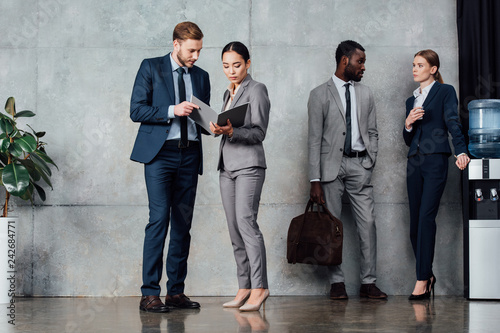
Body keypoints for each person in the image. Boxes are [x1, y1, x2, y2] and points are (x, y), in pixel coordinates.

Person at [130, 21, 211, 312]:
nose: (196, 56)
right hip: (160, 155)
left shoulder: (202, 76)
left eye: (199, 50)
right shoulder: (150, 67)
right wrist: (171, 111)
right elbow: (136, 110)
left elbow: (203, 120)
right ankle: (149, 293)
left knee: (183, 225)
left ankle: (175, 292)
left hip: (189, 154)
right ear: (176, 44)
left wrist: (215, 123)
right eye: (192, 50)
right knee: (158, 221)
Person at [308, 40, 387, 300]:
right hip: (329, 167)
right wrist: (315, 180)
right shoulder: (319, 94)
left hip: (359, 164)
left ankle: (368, 283)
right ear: (345, 61)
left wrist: (370, 160)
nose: (363, 67)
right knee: (332, 226)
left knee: (368, 223)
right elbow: (314, 139)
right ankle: (337, 283)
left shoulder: (366, 93)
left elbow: (373, 131)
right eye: (360, 61)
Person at [403, 49, 469, 300]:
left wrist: (460, 151)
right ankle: (428, 274)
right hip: (414, 162)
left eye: (420, 65)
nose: (414, 69)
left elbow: (453, 121)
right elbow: (407, 139)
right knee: (414, 225)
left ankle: (421, 281)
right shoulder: (411, 100)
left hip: (436, 161)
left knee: (426, 219)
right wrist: (408, 122)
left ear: (433, 69)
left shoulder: (445, 91)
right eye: (413, 65)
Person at [210, 41, 271, 311]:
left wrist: (232, 132)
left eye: (236, 65)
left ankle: (260, 288)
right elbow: (228, 128)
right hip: (227, 167)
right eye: (226, 66)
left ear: (248, 63)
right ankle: (244, 286)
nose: (231, 71)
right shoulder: (228, 92)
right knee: (235, 230)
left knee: (247, 224)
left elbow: (258, 133)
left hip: (249, 166)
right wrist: (216, 128)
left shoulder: (257, 89)